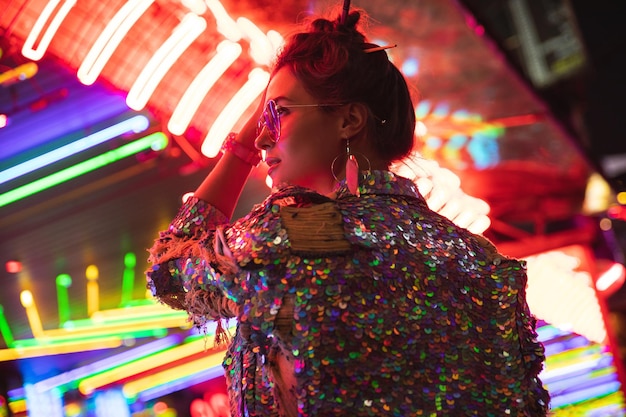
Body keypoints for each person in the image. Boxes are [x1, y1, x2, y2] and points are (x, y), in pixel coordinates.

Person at [146, 3, 550, 416]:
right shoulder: (482, 263)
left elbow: (168, 271)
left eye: (278, 112)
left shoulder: (293, 233)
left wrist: (240, 149)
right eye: (263, 118)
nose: (265, 135)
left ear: (349, 120)